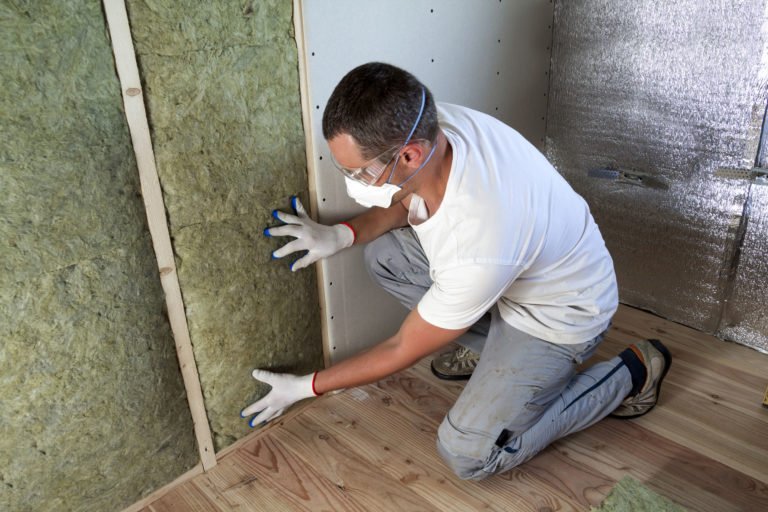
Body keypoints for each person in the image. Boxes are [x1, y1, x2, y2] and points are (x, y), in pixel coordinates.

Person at [241, 62, 671, 480]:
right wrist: (341, 235)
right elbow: (406, 193)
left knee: (468, 454)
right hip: (515, 278)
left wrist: (306, 387)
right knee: (385, 255)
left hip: (561, 316)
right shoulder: (428, 122)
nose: (353, 181)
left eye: (360, 172)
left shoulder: (478, 239)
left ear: (410, 154)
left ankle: (631, 372)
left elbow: (401, 348)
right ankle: (500, 360)